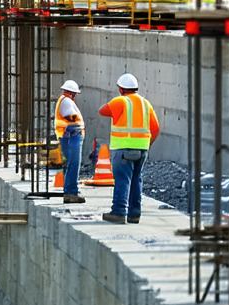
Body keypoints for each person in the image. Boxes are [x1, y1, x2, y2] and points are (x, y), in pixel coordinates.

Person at [98, 73, 160, 224]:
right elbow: (156, 128)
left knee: (122, 180)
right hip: (142, 149)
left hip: (123, 149)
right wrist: (147, 144)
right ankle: (134, 214)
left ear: (121, 88)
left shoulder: (120, 101)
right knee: (136, 180)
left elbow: (102, 110)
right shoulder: (146, 103)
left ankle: (119, 212)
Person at [56, 80, 86, 204]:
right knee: (73, 164)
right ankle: (71, 192)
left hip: (68, 135)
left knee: (70, 164)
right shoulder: (66, 101)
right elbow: (71, 116)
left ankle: (70, 190)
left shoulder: (63, 100)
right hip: (71, 135)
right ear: (72, 93)